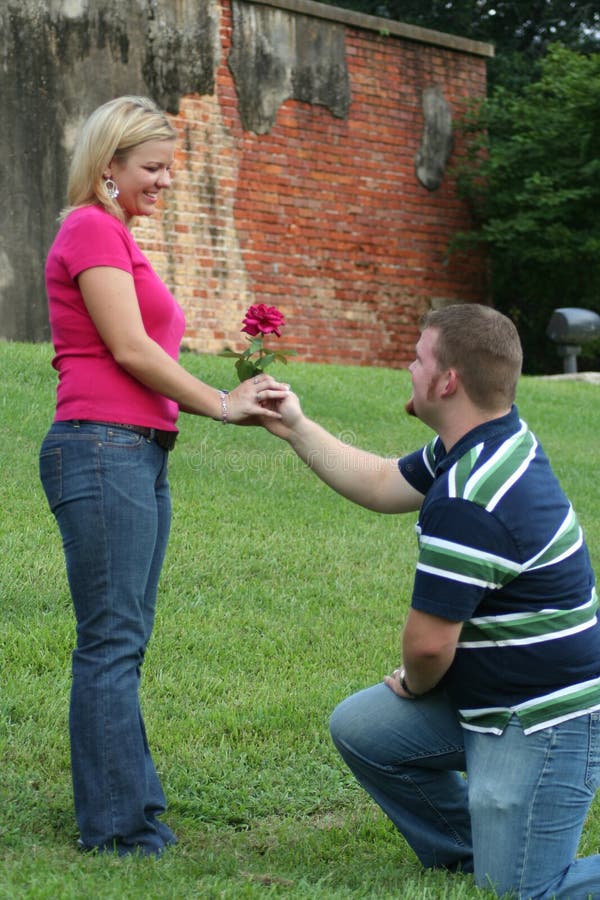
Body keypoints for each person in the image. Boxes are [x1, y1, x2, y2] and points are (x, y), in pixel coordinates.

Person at [264, 303, 600, 899]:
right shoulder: (481, 440)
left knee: (526, 894)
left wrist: (419, 686)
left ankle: (512, 866)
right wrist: (293, 424)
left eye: (418, 358)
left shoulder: (472, 494)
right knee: (363, 729)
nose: (408, 368)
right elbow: (381, 483)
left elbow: (426, 645)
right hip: (492, 695)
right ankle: (472, 850)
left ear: (448, 381)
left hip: (546, 717)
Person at [39, 95, 289, 857]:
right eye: (153, 168)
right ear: (108, 166)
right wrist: (221, 403)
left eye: (169, 169)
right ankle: (118, 831)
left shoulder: (117, 236)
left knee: (125, 638)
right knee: (111, 641)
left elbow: (150, 352)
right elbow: (131, 350)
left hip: (135, 450)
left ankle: (130, 802)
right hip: (101, 445)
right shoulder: (89, 228)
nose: (166, 183)